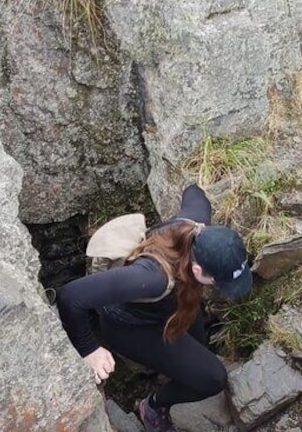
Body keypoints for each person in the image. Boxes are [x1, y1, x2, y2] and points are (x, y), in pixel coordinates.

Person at [56, 184, 252, 432]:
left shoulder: (197, 224)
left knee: (199, 350)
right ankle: (153, 406)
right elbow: (70, 296)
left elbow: (194, 191)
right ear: (198, 270)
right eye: (218, 281)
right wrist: (89, 349)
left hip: (172, 304)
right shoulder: (152, 277)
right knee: (212, 379)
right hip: (129, 325)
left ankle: (172, 371)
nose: (221, 287)